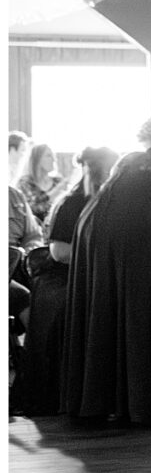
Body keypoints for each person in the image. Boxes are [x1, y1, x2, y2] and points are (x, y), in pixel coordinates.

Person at [63, 110, 151, 426]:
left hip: (92, 227)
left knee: (104, 306)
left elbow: (129, 198)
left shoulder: (128, 158)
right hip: (129, 233)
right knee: (137, 306)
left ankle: (99, 398)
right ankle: (139, 400)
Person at [18, 146, 118, 416]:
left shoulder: (109, 201)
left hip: (89, 275)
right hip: (63, 277)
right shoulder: (72, 203)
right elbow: (60, 252)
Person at [9, 185, 44, 333]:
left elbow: (33, 236)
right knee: (22, 297)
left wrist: (26, 253)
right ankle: (36, 351)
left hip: (19, 264)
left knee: (48, 293)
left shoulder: (14, 196)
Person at [18, 143, 73, 223]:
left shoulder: (58, 181)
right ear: (37, 159)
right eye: (48, 156)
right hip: (33, 231)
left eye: (53, 155)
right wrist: (55, 192)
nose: (54, 159)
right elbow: (32, 210)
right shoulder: (25, 183)